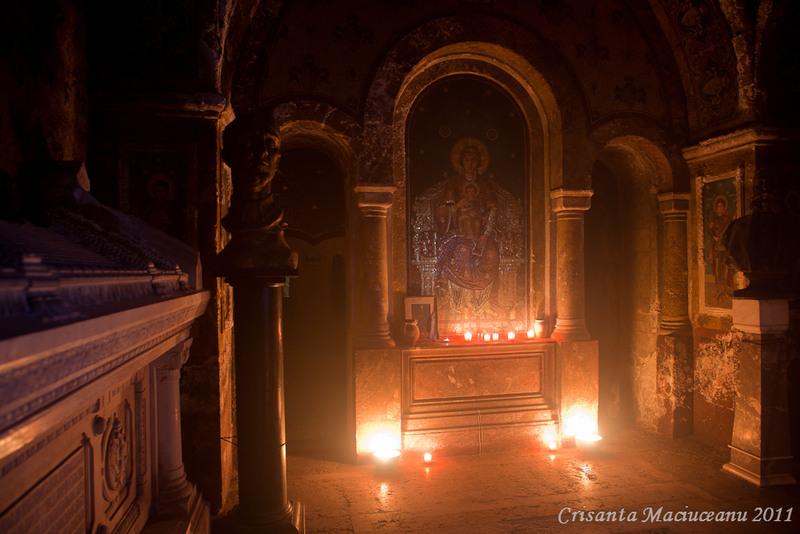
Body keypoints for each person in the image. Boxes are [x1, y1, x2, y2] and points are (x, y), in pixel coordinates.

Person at [434, 141, 501, 317]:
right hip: (459, 234)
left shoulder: (485, 186)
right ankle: (459, 304)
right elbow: (442, 212)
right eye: (466, 159)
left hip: (482, 234)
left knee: (491, 254)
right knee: (462, 252)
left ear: (479, 162)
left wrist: (485, 235)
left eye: (473, 160)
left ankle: (484, 303)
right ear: (461, 162)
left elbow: (493, 211)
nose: (470, 163)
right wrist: (457, 206)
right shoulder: (453, 184)